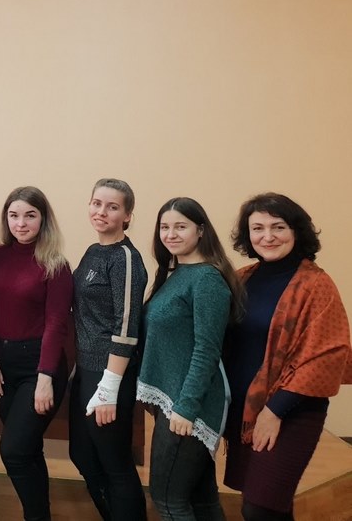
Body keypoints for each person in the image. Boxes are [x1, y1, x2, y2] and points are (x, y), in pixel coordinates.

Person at [223, 193, 352, 521]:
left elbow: (327, 353)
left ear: (296, 231)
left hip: (292, 411)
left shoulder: (316, 284)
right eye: (258, 228)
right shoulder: (241, 278)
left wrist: (275, 410)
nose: (267, 236)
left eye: (278, 227)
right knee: (271, 505)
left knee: (259, 507)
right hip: (245, 409)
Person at [137, 197, 244, 520]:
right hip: (176, 402)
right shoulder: (177, 273)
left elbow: (206, 350)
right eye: (164, 227)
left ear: (200, 230)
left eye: (180, 226)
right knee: (201, 499)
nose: (170, 234)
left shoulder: (207, 279)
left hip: (189, 406)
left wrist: (186, 407)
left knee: (168, 500)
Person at [0, 186, 73, 521]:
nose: (21, 223)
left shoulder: (56, 264)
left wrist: (45, 378)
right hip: (2, 366)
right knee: (29, 451)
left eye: (30, 216)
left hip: (40, 366)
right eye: (14, 215)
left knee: (14, 451)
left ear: (43, 219)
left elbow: (56, 324)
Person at [69, 178, 147, 520]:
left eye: (112, 207)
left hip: (109, 374)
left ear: (127, 216)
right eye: (97, 203)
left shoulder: (125, 258)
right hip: (86, 370)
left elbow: (126, 326)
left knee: (115, 464)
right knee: (83, 456)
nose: (102, 212)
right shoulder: (93, 251)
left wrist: (109, 387)